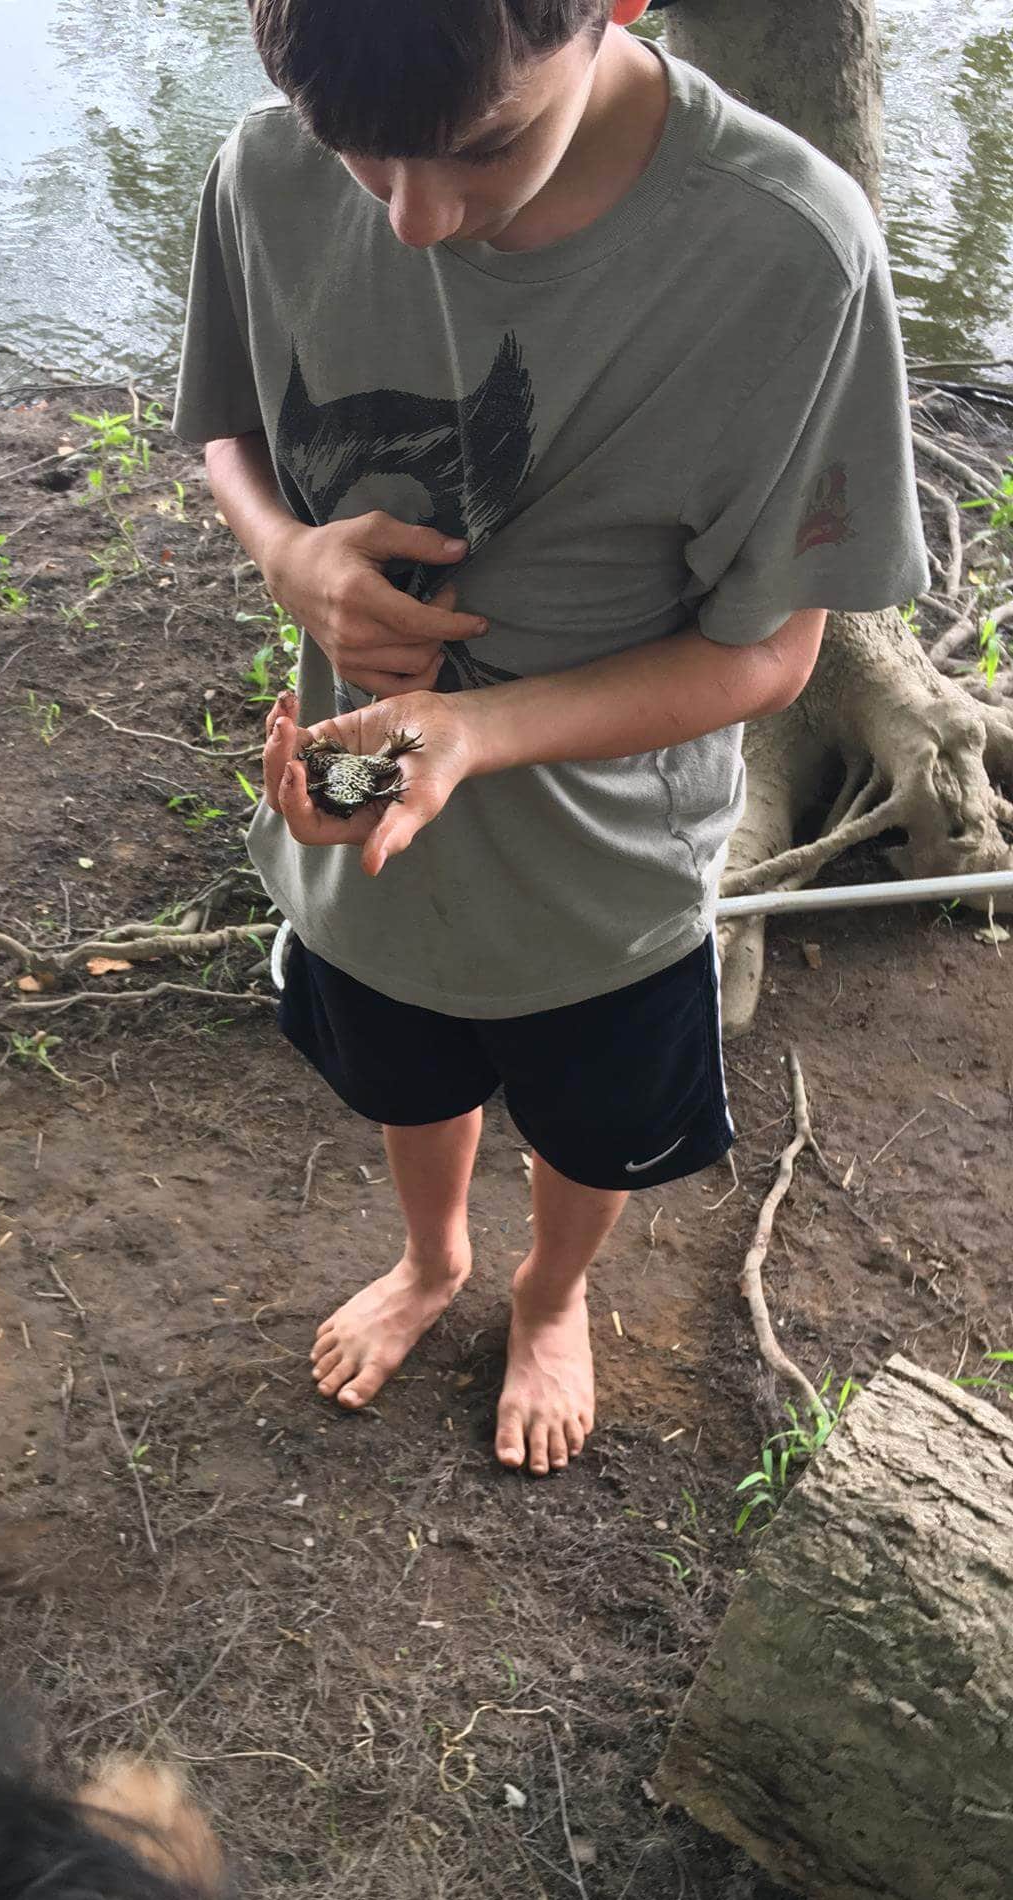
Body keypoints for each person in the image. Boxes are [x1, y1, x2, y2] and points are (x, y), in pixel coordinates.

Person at [173, 0, 927, 1474]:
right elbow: (228, 436)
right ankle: (436, 1259)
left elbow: (773, 651)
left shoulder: (786, 251)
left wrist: (479, 731)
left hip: (609, 876)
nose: (411, 222)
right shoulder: (265, 171)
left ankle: (551, 1290)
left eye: (480, 149)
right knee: (408, 1068)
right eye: (358, 154)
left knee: (590, 1128)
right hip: (370, 837)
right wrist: (282, 554)